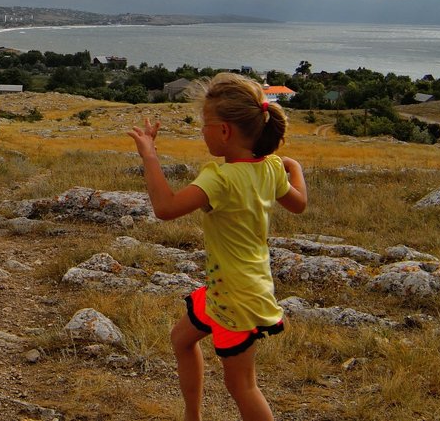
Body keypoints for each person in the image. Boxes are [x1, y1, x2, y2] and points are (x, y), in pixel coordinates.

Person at [127, 73, 307, 421]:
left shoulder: (220, 178)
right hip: (238, 286)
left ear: (224, 131)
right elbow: (298, 203)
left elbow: (165, 209)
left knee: (242, 386)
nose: (202, 131)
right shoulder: (270, 168)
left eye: (205, 124)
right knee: (181, 339)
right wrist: (294, 166)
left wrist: (149, 154)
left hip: (235, 298)